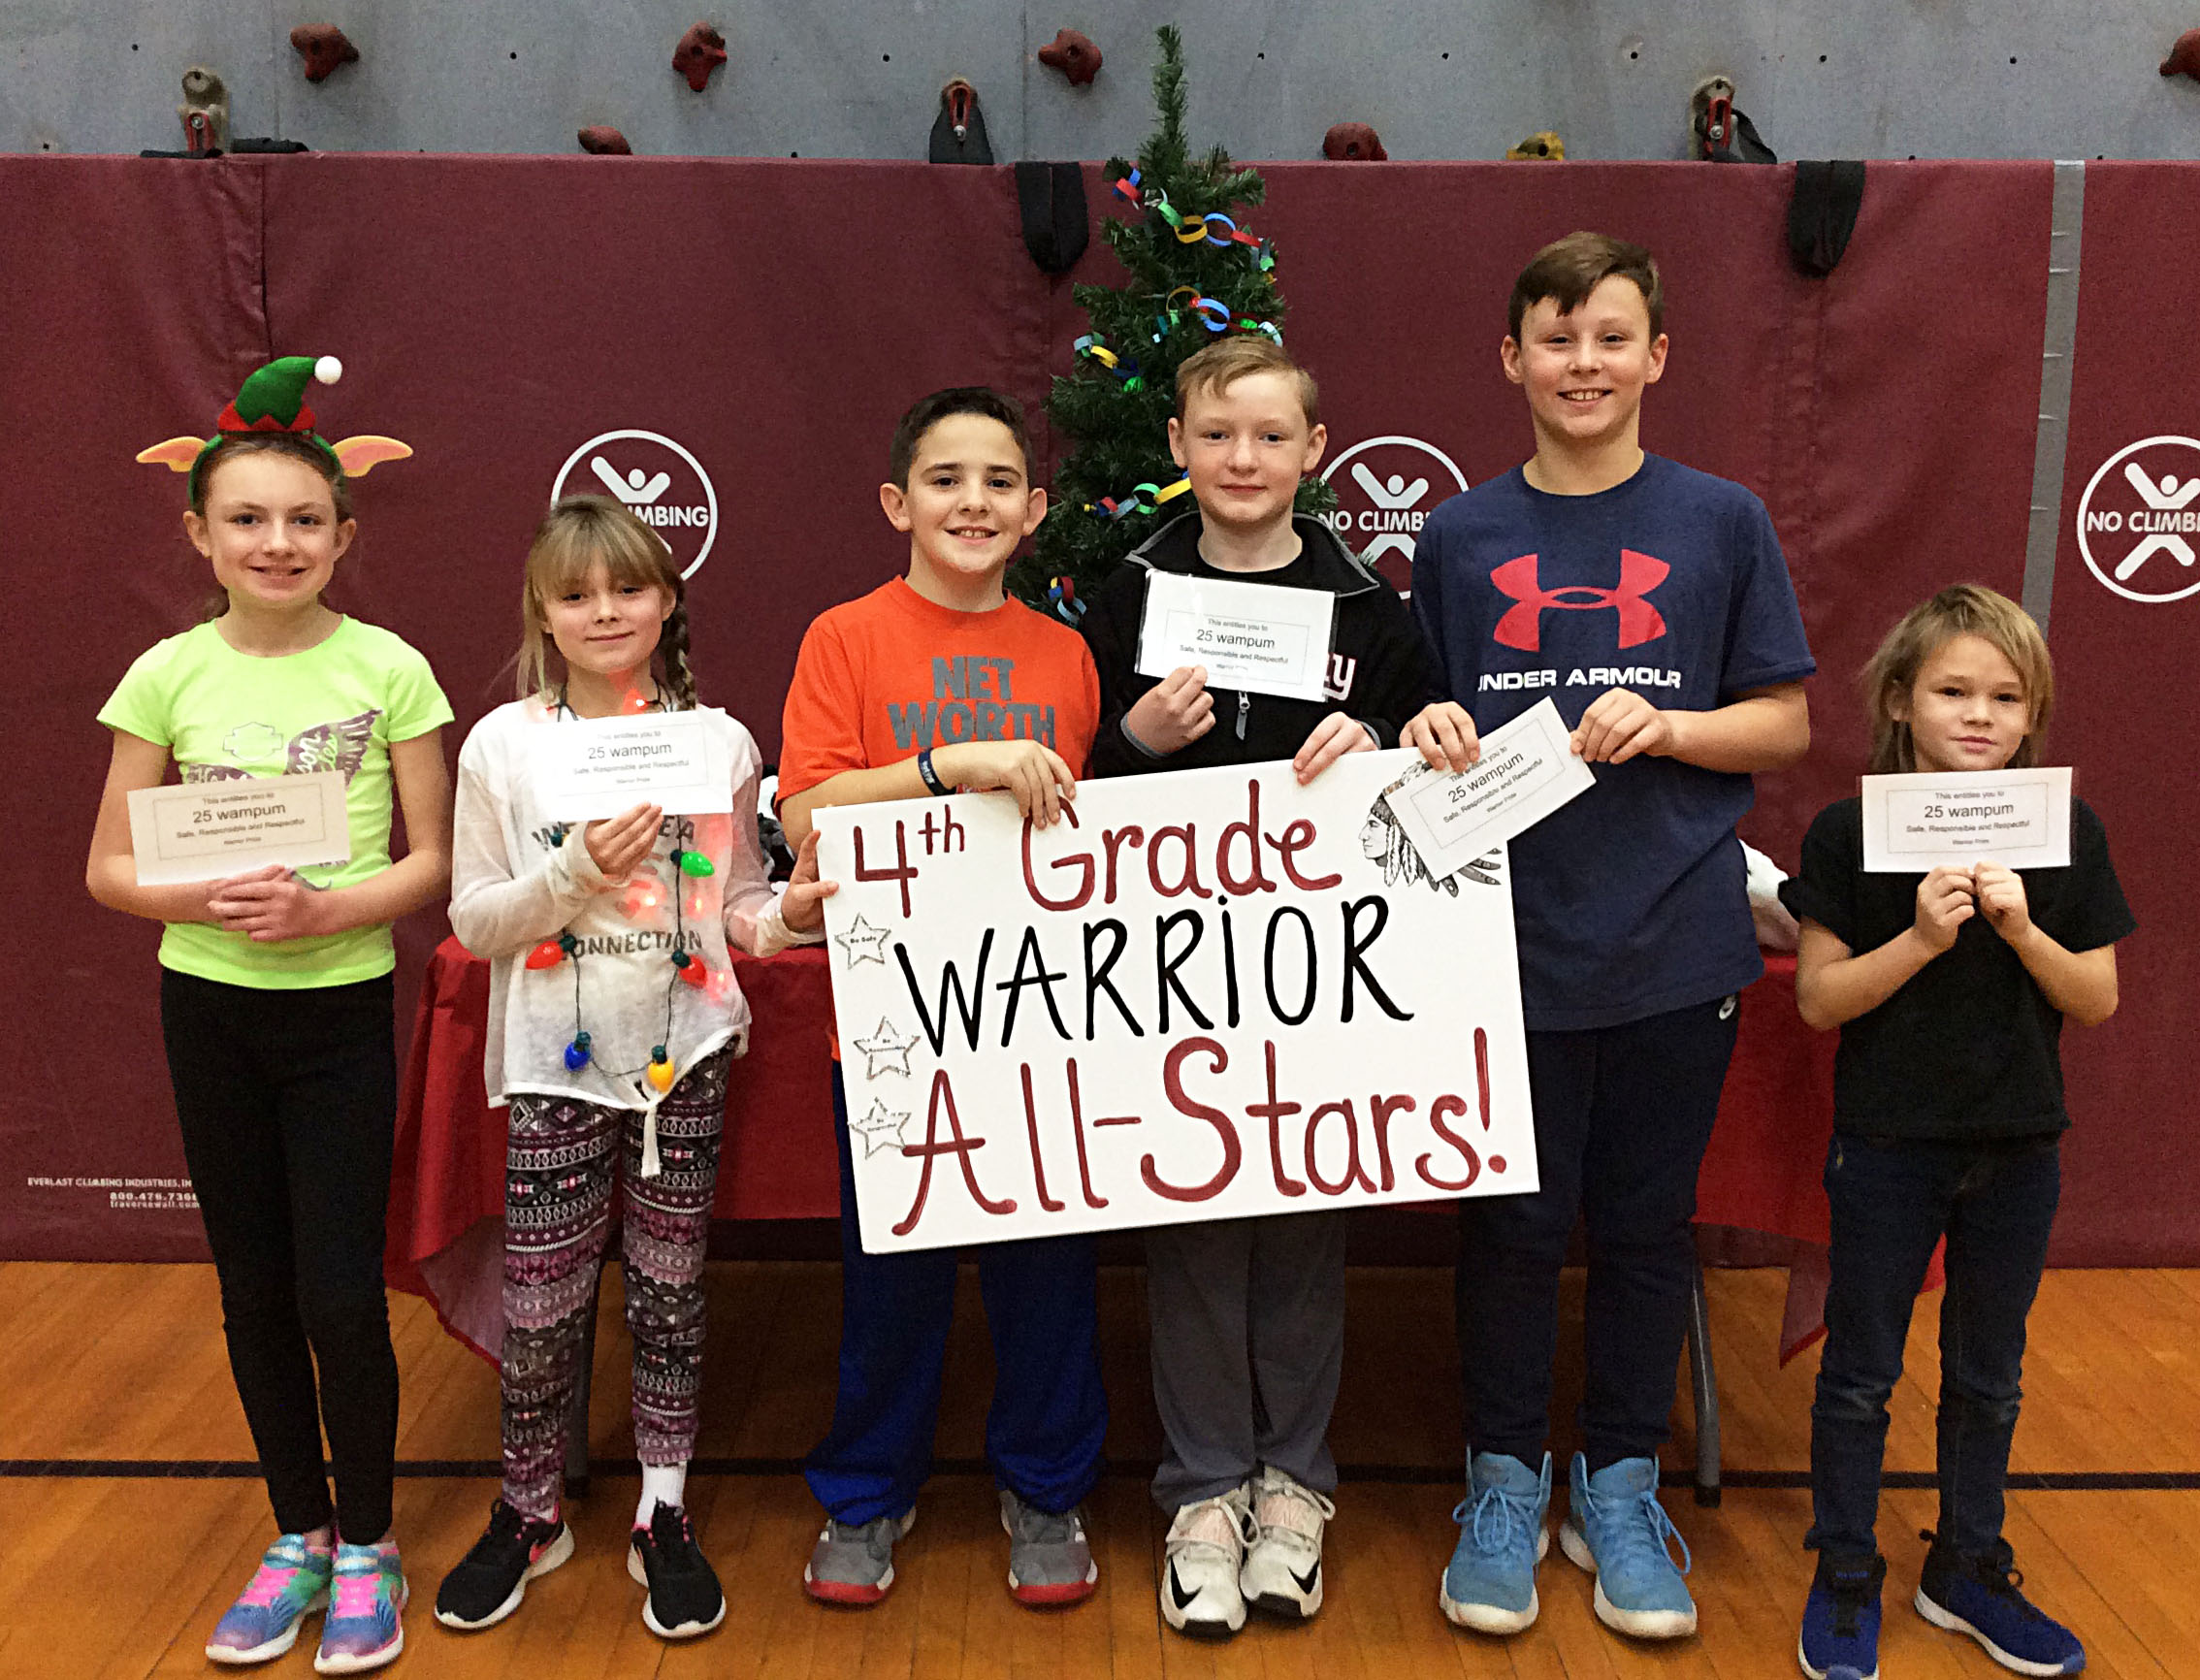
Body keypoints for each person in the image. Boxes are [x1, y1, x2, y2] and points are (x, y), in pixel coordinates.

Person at [1405, 232, 1814, 1641]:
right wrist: (1432, 727)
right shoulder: (1458, 537)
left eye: (1611, 336)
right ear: (1512, 359)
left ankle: (1622, 1483)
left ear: (1657, 357)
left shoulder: (1723, 521)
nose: (1585, 362)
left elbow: (1787, 718)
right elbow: (1417, 736)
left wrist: (1676, 726)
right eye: (1557, 338)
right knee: (1512, 1235)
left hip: (1674, 945)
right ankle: (1506, 1482)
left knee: (1645, 1233)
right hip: (1501, 947)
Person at [87, 356, 452, 1673]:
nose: (276, 541)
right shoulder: (166, 675)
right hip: (211, 1010)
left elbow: (432, 864)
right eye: (246, 519)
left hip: (340, 1013)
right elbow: (110, 870)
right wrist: (210, 896)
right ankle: (295, 1532)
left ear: (345, 534)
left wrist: (330, 914)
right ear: (200, 533)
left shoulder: (392, 668)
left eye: (304, 520)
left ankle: (368, 1541)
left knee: (340, 1296)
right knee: (250, 1291)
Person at [1077, 336, 1438, 1638]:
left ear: (1314, 453)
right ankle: (1202, 1492)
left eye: (1271, 437)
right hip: (1165, 980)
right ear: (1177, 446)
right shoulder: (1113, 603)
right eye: (1219, 434)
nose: (1244, 459)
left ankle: (1295, 1488)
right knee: (1190, 1236)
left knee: (1301, 1235)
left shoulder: (1372, 611)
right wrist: (1130, 741)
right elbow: (1058, 808)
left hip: (1321, 988)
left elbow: (1426, 787)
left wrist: (1389, 745)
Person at [435, 495, 833, 1641]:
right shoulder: (505, 745)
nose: (604, 611)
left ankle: (664, 1508)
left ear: (667, 601)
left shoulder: (717, 739)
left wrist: (786, 916)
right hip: (557, 1062)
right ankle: (529, 1508)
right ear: (543, 614)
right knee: (544, 1301)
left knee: (668, 1291)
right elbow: (475, 914)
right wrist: (568, 880)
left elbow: (735, 909)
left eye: (628, 589)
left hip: (684, 1058)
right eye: (576, 594)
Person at [777, 387, 1107, 1609]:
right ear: (897, 501)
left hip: (1040, 1024)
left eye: (1000, 481)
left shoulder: (1063, 654)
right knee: (893, 1282)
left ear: (1034, 509)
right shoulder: (845, 638)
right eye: (947, 477)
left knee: (1046, 1278)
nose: (973, 501)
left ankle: (1048, 1485)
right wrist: (944, 767)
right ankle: (866, 1493)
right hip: (888, 1024)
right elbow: (804, 813)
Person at [1783, 586, 2127, 1680]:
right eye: (1953, 691)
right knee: (1860, 1373)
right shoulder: (1849, 831)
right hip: (1887, 1143)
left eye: (2006, 697)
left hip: (2020, 1145)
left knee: (1991, 1372)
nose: (1979, 715)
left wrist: (2022, 927)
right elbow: (1821, 999)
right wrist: (1923, 939)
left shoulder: (2065, 832)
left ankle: (1966, 1563)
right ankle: (1845, 1565)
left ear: (2033, 716)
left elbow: (2097, 997)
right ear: (1899, 699)